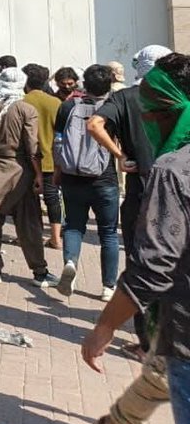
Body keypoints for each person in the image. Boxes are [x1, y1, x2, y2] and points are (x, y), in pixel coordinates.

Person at [81, 52, 190, 424]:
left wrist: (105, 326)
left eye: (150, 109)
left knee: (162, 369)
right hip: (178, 329)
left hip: (184, 330)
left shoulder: (172, 170)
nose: (144, 118)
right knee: (161, 370)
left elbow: (154, 266)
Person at [88, 43, 172, 353]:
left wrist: (119, 155)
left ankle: (148, 343)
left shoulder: (124, 98)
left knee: (141, 264)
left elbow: (94, 124)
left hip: (142, 191)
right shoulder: (179, 96)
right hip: (178, 190)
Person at [0, 67, 55, 287]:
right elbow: (32, 146)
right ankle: (39, 271)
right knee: (28, 224)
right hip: (21, 172)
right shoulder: (26, 109)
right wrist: (38, 174)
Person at [53, 64, 122, 301]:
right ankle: (108, 286)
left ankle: (70, 263)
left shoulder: (68, 106)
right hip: (104, 179)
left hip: (72, 177)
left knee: (73, 226)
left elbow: (58, 141)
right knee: (109, 233)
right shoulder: (114, 107)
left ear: (84, 83)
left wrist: (58, 171)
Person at [21, 64, 64, 251]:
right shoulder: (55, 103)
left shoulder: (21, 102)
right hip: (50, 159)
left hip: (25, 160)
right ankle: (56, 238)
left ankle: (33, 235)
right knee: (52, 198)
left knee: (28, 200)